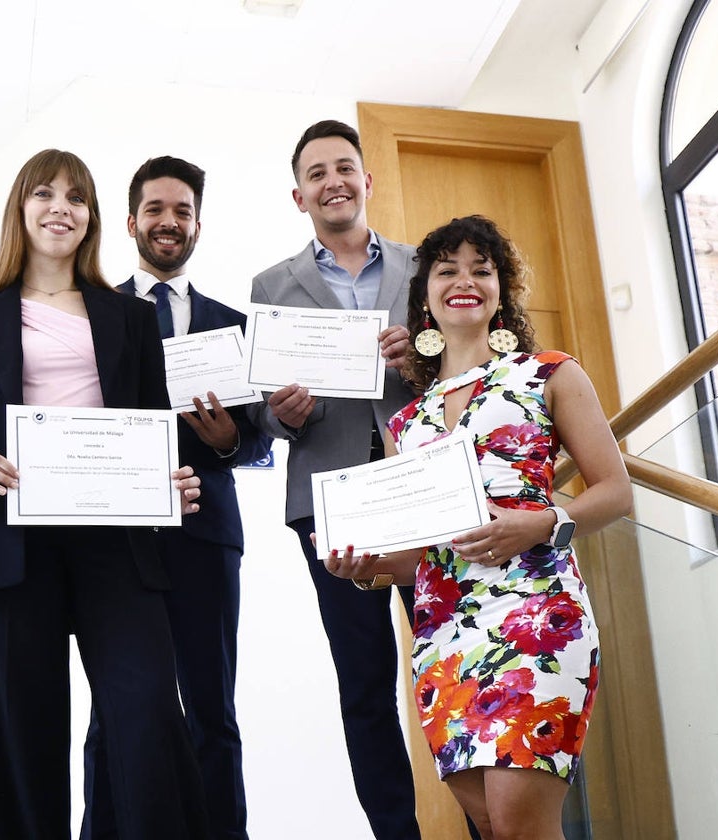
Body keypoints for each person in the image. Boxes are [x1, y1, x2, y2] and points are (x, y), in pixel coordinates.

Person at [0, 148, 213, 839]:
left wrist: (169, 481)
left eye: (77, 197)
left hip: (116, 541)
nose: (62, 208)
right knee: (22, 738)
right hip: (10, 545)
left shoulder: (130, 318)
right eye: (45, 194)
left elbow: (155, 427)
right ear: (20, 209)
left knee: (145, 713)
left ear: (92, 219)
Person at [323, 215, 632, 840]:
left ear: (501, 292)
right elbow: (418, 557)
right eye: (447, 270)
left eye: (481, 270)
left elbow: (616, 492)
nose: (465, 281)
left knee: (521, 823)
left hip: (538, 615)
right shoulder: (407, 422)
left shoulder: (549, 373)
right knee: (491, 827)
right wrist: (363, 571)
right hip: (441, 635)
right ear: (425, 299)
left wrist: (541, 522)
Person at [81, 156, 271, 840]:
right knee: (113, 714)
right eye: (156, 210)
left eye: (182, 212)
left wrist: (226, 442)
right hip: (117, 544)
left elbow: (258, 442)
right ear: (131, 222)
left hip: (205, 538)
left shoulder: (232, 324)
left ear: (197, 225)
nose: (169, 222)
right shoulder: (92, 315)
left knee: (212, 711)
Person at [249, 119, 424, 839]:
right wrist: (283, 415)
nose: (333, 181)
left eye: (344, 167)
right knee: (364, 685)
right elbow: (262, 413)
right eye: (317, 173)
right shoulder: (271, 284)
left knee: (459, 662)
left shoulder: (425, 265)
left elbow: (465, 360)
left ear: (367, 181)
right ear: (300, 196)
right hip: (329, 498)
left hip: (427, 487)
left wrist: (424, 353)